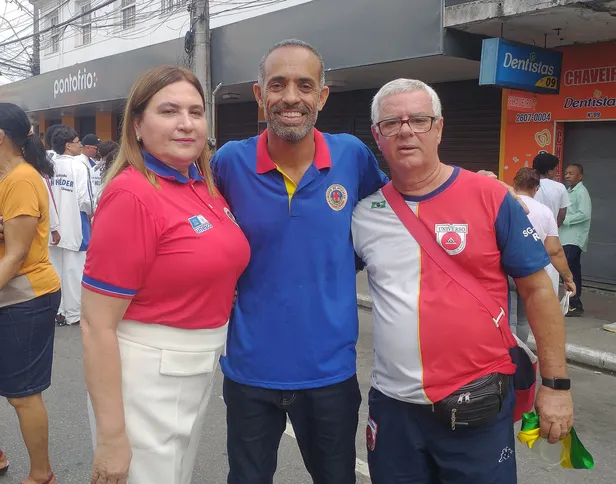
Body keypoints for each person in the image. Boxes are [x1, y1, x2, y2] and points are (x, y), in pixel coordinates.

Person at [351, 79, 574, 484]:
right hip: (394, 409)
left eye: (419, 120)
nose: (405, 131)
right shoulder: (364, 213)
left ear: (438, 127)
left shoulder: (489, 195)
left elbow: (539, 289)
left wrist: (556, 386)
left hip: (479, 405)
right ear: (376, 136)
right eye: (391, 123)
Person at [210, 39, 388, 483]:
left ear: (322, 96)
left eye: (304, 85)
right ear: (259, 94)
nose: (291, 97)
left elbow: (395, 212)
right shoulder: (229, 163)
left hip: (329, 372)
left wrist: (474, 190)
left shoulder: (351, 156)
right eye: (278, 84)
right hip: (251, 370)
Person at [80, 65, 250, 484]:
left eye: (196, 111)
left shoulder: (199, 184)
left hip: (195, 366)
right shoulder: (132, 193)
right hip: (147, 375)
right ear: (137, 124)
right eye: (169, 111)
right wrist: (112, 436)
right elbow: (95, 325)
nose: (186, 124)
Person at [0, 103, 61, 484]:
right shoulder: (5, 176)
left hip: (24, 297)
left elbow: (17, 254)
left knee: (22, 395)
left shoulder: (21, 180)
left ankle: (42, 475)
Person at [510, 167, 576, 342]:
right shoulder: (545, 212)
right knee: (523, 320)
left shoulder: (503, 205)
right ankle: (521, 359)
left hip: (505, 272)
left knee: (509, 320)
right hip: (531, 271)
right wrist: (567, 278)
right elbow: (555, 250)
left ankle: (507, 358)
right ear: (536, 189)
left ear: (514, 183)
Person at [48, 126, 93, 326]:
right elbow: (86, 200)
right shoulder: (78, 166)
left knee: (55, 270)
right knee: (75, 271)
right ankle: (73, 314)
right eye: (77, 142)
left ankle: (57, 310)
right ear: (68, 145)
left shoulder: (47, 165)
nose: (80, 145)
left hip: (51, 227)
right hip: (75, 224)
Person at [560, 163, 592, 317]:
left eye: (571, 173)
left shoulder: (581, 192)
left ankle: (575, 303)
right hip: (565, 237)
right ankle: (573, 302)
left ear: (580, 176)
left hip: (575, 237)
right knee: (569, 269)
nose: (567, 176)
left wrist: (565, 219)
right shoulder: (569, 191)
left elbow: (584, 214)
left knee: (570, 269)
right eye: (566, 173)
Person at [533, 152, 570, 226]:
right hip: (550, 232)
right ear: (549, 172)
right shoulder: (560, 187)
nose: (556, 172)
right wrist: (554, 229)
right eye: (555, 169)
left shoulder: (526, 185)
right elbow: (562, 215)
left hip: (529, 231)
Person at [81, 134, 103, 201]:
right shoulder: (79, 162)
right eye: (96, 148)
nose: (97, 151)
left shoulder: (92, 160)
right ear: (87, 147)